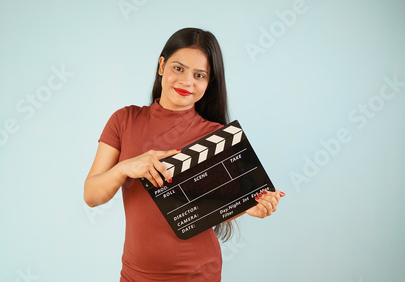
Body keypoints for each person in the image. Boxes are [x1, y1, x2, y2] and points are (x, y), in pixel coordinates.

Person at [84, 27, 285, 282]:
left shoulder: (217, 136)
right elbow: (91, 195)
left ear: (208, 83)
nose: (186, 81)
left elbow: (216, 204)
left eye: (199, 75)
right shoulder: (124, 120)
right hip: (135, 274)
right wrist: (125, 167)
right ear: (161, 66)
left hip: (199, 274)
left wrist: (248, 207)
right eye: (178, 68)